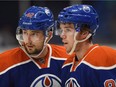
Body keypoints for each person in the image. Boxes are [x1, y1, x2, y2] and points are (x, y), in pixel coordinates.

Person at [0, 6, 72, 87]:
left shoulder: (69, 58)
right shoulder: (3, 63)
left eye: (34, 34)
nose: (28, 40)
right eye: (25, 33)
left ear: (49, 34)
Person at [56, 4, 116, 87]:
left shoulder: (106, 58)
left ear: (84, 33)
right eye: (62, 30)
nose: (62, 35)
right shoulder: (67, 65)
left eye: (68, 30)